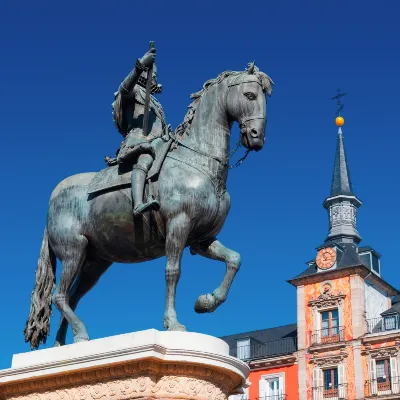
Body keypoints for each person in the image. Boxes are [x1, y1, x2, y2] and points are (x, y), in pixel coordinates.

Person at [106, 46, 167, 217]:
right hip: (138, 141)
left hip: (158, 141)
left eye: (155, 75)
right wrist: (140, 65)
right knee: (146, 158)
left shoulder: (156, 103)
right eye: (152, 73)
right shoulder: (134, 91)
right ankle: (138, 204)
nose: (155, 76)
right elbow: (124, 89)